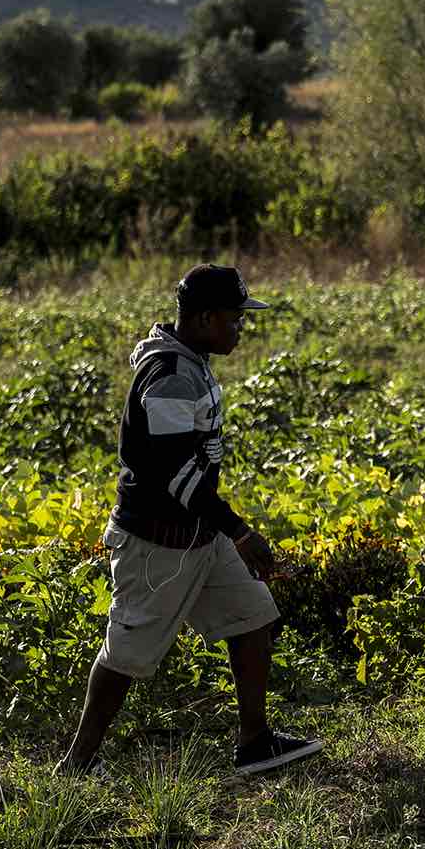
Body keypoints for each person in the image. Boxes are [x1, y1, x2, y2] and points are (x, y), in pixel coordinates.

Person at [58, 264, 322, 778]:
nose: (240, 327)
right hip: (158, 543)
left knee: (254, 617)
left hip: (197, 535)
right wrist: (239, 531)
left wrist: (225, 531)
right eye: (234, 318)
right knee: (126, 655)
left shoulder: (190, 361)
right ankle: (78, 762)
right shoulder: (170, 377)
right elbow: (175, 474)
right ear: (203, 319)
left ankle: (255, 745)